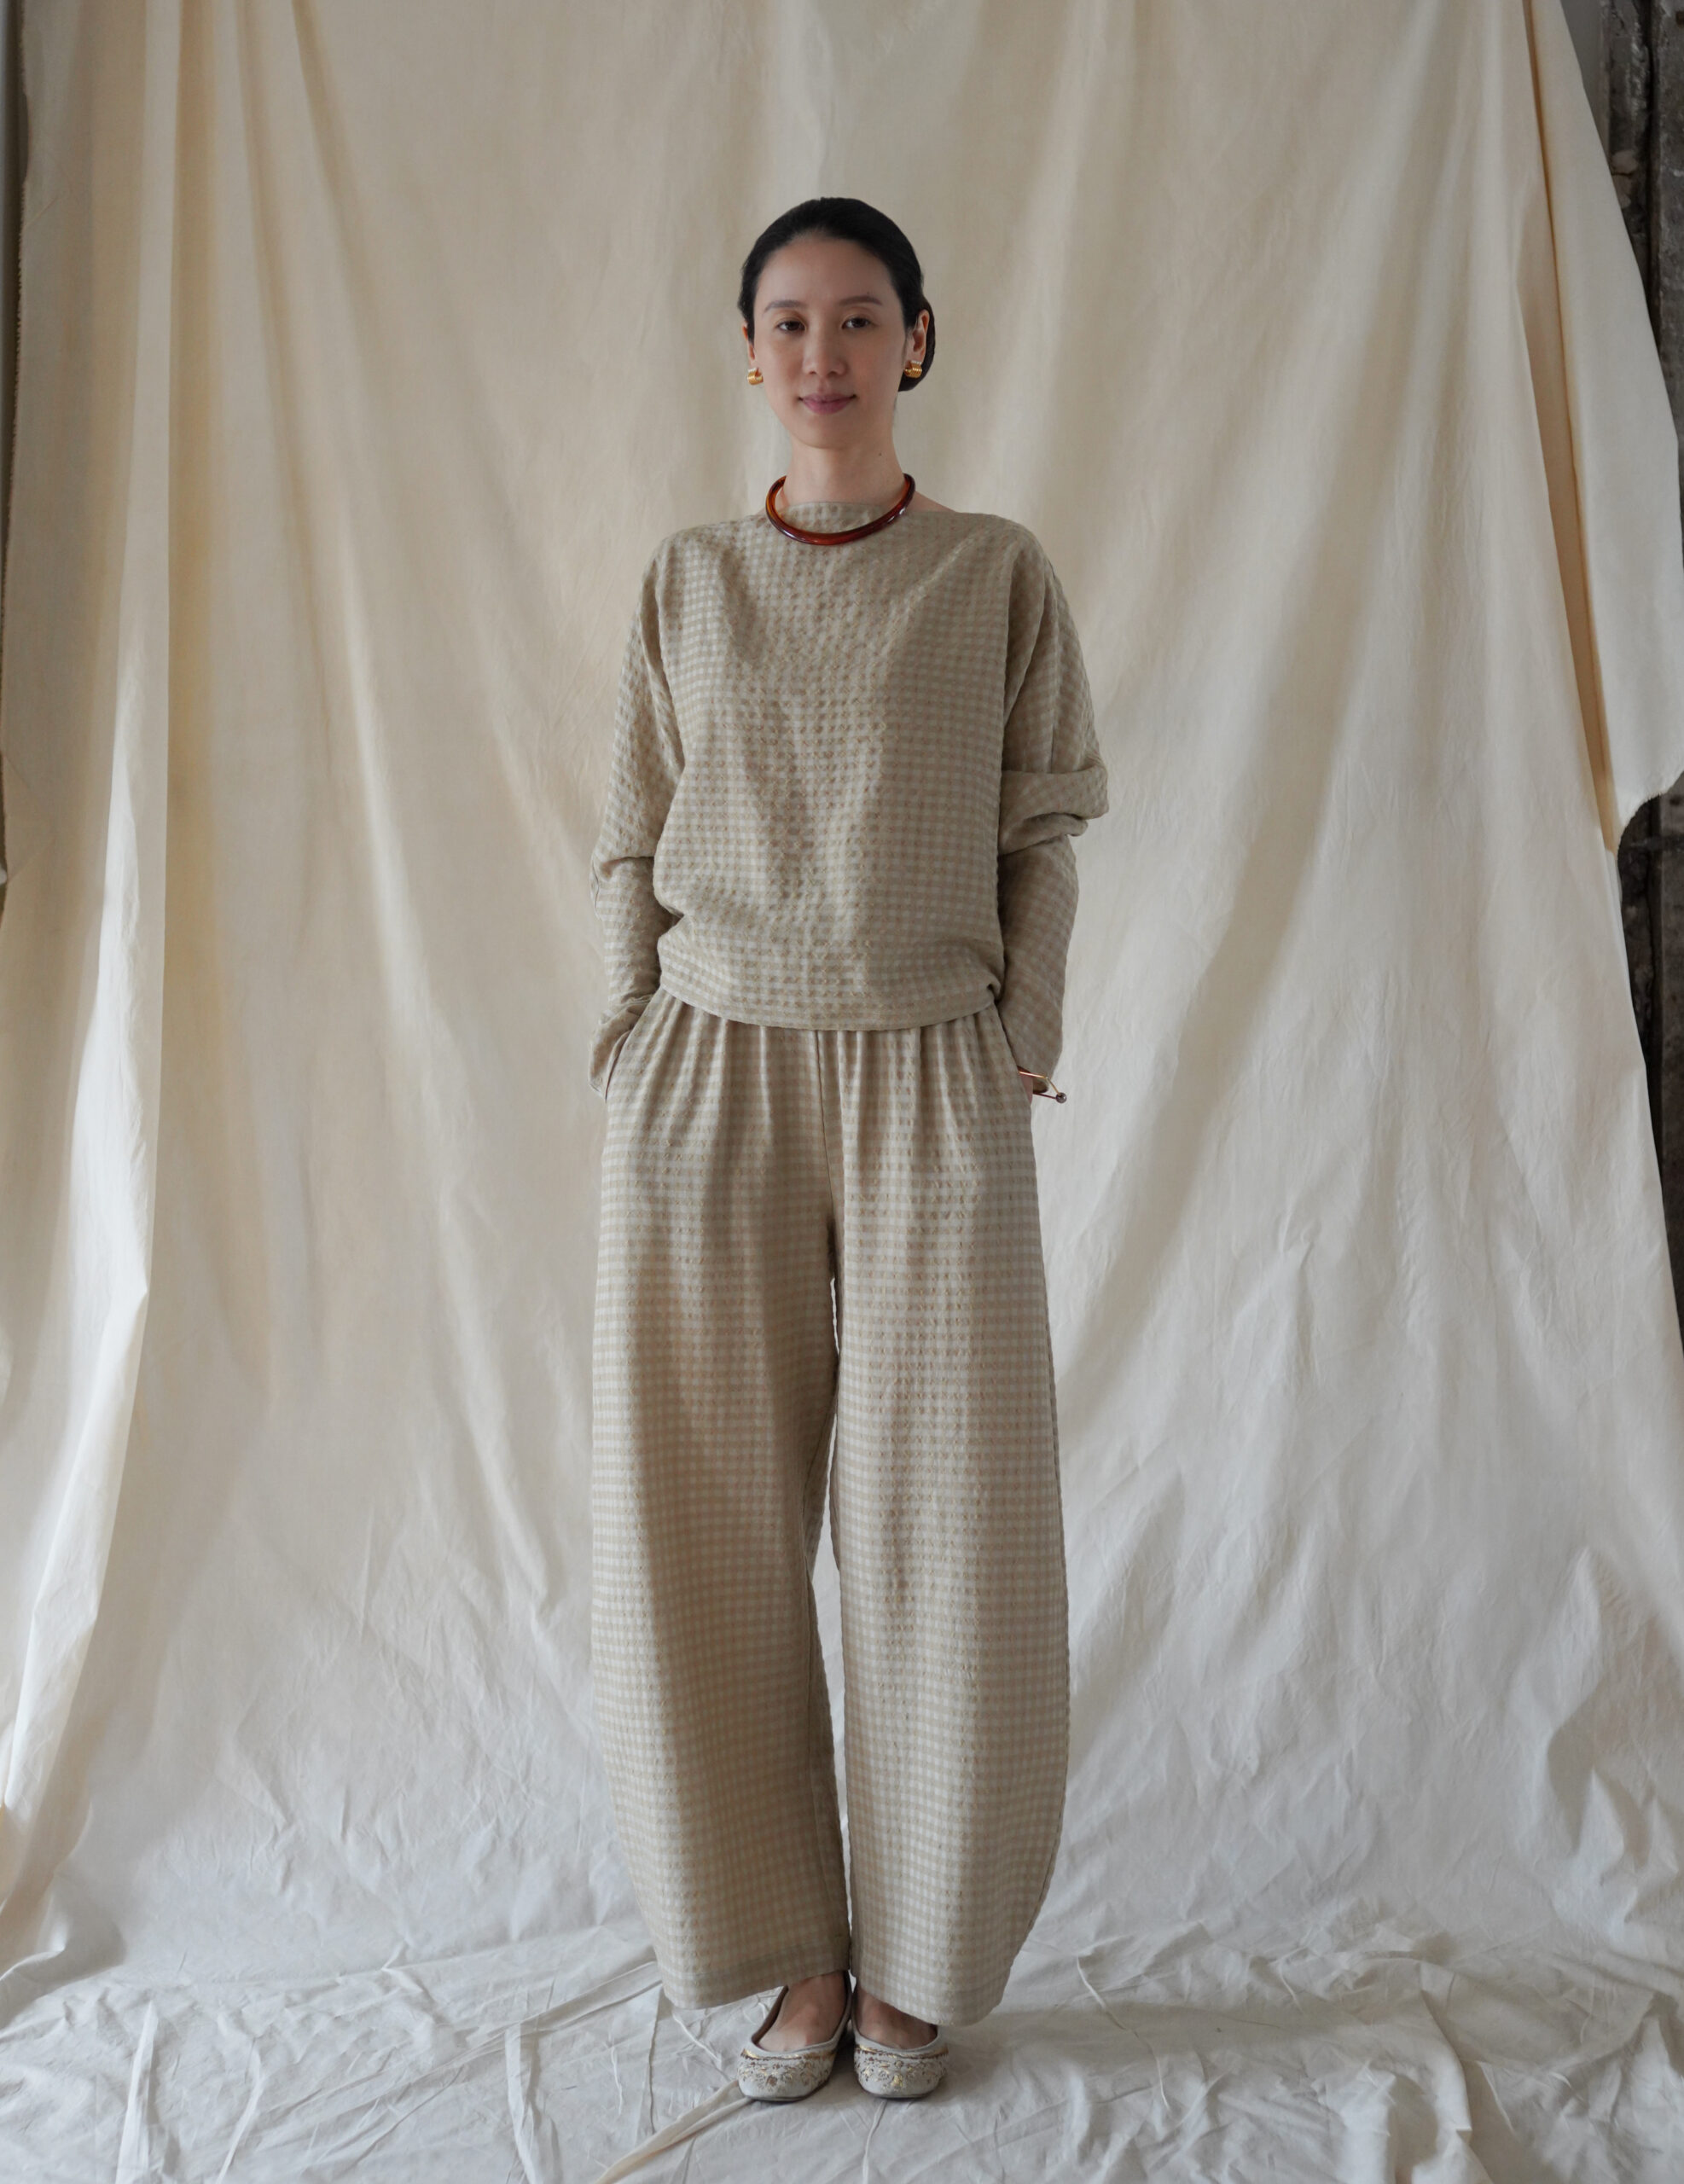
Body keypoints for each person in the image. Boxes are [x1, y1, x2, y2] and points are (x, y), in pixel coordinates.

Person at [587, 195, 1108, 2105]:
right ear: (749, 355)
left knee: (952, 1522)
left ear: (918, 341)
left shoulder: (993, 573)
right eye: (790, 321)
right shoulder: (687, 579)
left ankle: (924, 1958)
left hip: (931, 1075)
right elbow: (627, 830)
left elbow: (1044, 822)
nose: (825, 352)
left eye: (860, 316)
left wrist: (1020, 1031)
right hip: (708, 1070)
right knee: (700, 1525)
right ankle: (790, 1951)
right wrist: (627, 1036)